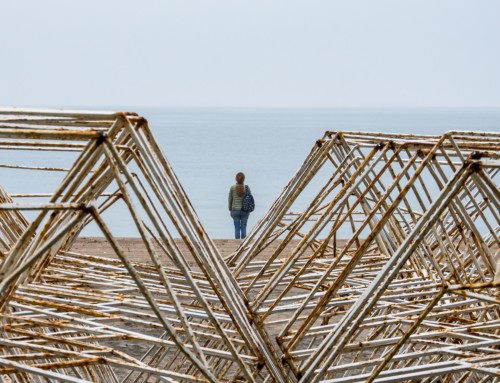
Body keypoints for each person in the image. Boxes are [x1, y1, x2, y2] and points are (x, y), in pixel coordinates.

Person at [228, 172, 251, 239]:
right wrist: (249, 210)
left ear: (236, 179)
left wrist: (230, 210)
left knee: (237, 228)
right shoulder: (246, 188)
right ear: (244, 179)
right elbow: (250, 199)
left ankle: (236, 243)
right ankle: (243, 243)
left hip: (235, 210)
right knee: (244, 227)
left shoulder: (232, 188)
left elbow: (230, 199)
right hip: (245, 211)